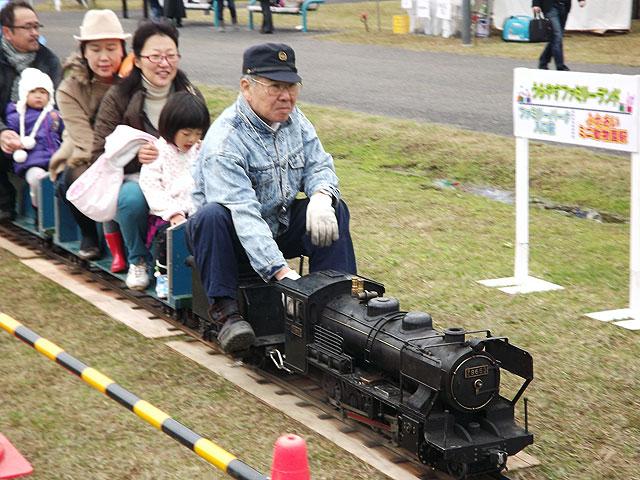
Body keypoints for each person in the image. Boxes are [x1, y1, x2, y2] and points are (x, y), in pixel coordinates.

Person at [188, 43, 357, 353]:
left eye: (292, 86)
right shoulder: (226, 141)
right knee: (211, 216)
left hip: (277, 225)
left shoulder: (296, 120)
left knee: (335, 208)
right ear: (246, 87)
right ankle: (226, 314)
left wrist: (321, 195)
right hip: (233, 241)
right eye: (275, 87)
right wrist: (282, 274)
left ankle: (337, 306)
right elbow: (244, 216)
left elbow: (319, 164)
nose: (286, 96)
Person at [91, 20, 203, 291]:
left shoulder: (189, 94)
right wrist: (135, 155)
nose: (164, 63)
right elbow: (99, 153)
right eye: (155, 56)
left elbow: (203, 140)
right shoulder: (119, 96)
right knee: (132, 197)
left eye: (170, 56)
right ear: (138, 60)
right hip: (134, 177)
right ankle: (138, 259)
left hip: (181, 177)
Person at [50, 9, 131, 264]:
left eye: (111, 48)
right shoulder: (70, 88)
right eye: (95, 49)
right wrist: (114, 166)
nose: (104, 57)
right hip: (86, 151)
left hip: (133, 149)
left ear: (123, 49)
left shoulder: (135, 79)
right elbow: (83, 138)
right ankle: (88, 235)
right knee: (73, 178)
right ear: (84, 52)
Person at [138, 91, 210, 298]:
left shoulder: (199, 150)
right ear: (171, 127)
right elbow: (151, 187)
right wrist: (173, 213)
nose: (192, 139)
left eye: (197, 133)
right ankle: (163, 274)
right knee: (166, 237)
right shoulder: (157, 152)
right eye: (186, 133)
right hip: (166, 214)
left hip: (195, 210)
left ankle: (202, 277)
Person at [0, 0, 61, 222]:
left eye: (37, 26)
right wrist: (3, 131)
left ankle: (45, 214)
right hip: (7, 130)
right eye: (28, 28)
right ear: (7, 32)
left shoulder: (48, 60)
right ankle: (4, 201)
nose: (35, 33)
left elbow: (57, 104)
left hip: (40, 133)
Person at [5, 67, 62, 208]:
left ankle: (63, 213)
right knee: (37, 180)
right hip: (31, 162)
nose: (38, 96)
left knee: (65, 179)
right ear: (24, 94)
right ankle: (39, 209)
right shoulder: (16, 117)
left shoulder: (55, 115)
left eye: (43, 92)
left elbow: (66, 134)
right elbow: (10, 137)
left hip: (55, 160)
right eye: (33, 92)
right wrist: (14, 144)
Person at [532, 0, 586, 71]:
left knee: (555, 37)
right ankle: (560, 65)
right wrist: (536, 4)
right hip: (550, 7)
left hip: (564, 6)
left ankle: (543, 61)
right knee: (557, 35)